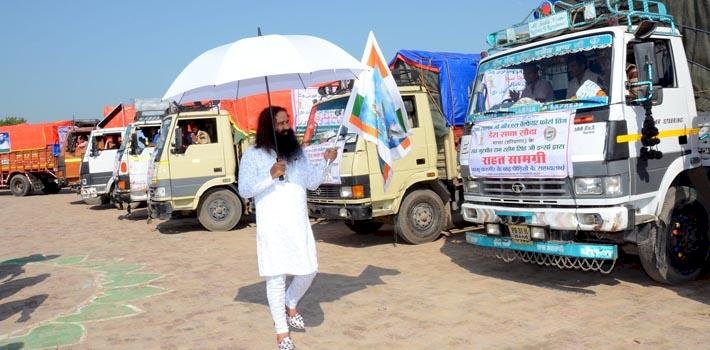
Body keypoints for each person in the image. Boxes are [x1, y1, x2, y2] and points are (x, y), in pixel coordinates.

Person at [237, 106, 337, 350]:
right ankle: (282, 332)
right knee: (276, 277)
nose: (285, 127)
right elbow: (244, 190)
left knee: (309, 269)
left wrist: (326, 162)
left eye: (286, 122)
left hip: (298, 224)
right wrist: (270, 175)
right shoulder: (253, 155)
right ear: (267, 128)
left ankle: (291, 301)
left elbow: (312, 183)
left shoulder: (298, 154)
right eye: (279, 124)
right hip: (272, 227)